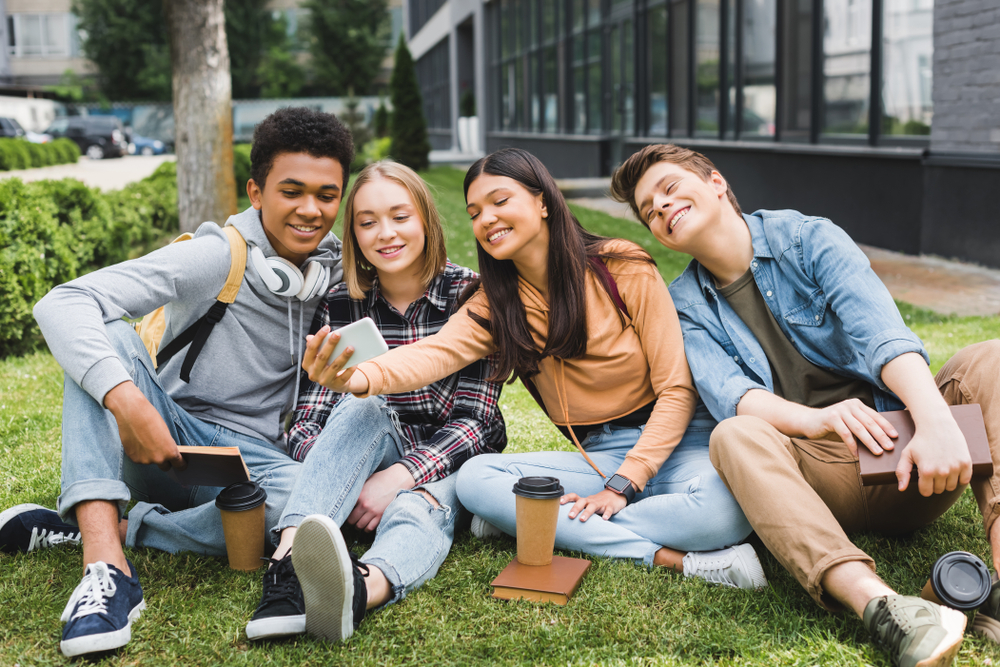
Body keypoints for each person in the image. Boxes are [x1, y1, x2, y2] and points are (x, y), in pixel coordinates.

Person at [610, 143, 1000, 667]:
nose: (661, 209)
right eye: (649, 211)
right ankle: (884, 609)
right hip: (818, 476)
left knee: (991, 359)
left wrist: (932, 421)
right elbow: (735, 395)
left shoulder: (807, 238)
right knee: (733, 434)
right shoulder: (682, 305)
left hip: (909, 457)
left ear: (717, 182)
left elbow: (882, 333)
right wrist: (820, 421)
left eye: (669, 189)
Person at [304, 148, 764, 591]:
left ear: (542, 201)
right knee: (476, 480)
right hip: (597, 454)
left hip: (683, 443)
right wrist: (358, 377)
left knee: (725, 514)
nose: (487, 219)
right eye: (475, 212)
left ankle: (534, 523)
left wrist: (625, 485)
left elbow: (678, 390)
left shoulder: (620, 267)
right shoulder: (496, 305)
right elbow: (434, 353)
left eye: (500, 202)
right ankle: (671, 558)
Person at [0, 107, 353, 658]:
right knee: (108, 339)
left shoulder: (332, 269)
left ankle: (132, 527)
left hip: (252, 465)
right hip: (164, 443)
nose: (311, 210)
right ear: (256, 193)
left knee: (319, 506)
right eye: (293, 190)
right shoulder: (217, 256)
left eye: (327, 195)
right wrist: (127, 404)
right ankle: (104, 565)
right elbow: (64, 302)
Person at [244, 161, 507, 644]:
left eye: (400, 217)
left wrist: (400, 477)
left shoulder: (472, 295)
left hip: (450, 463)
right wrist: (348, 473)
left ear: (426, 220)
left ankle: (362, 591)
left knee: (416, 505)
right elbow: (309, 421)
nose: (385, 234)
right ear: (354, 234)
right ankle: (287, 570)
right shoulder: (341, 303)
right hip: (369, 449)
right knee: (362, 406)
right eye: (367, 222)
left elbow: (478, 422)